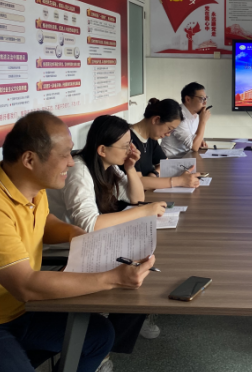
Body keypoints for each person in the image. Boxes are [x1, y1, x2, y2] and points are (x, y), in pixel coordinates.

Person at [0, 111, 155, 372]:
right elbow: (26, 285)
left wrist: (73, 233)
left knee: (97, 335)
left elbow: (44, 223)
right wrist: (113, 278)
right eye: (64, 155)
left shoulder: (33, 188)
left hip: (17, 312)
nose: (71, 162)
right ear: (29, 160)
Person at [46, 115, 168, 349]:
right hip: (64, 248)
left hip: (88, 241)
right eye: (125, 146)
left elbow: (136, 199)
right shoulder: (79, 170)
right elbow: (89, 226)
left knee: (145, 257)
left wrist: (130, 168)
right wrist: (144, 211)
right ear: (102, 149)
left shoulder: (109, 166)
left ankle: (111, 338)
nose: (131, 150)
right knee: (136, 268)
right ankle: (104, 345)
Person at [129, 97, 199, 190]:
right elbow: (138, 182)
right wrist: (180, 181)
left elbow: (164, 165)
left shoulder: (150, 137)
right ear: (156, 120)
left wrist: (153, 175)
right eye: (169, 129)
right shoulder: (128, 140)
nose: (168, 134)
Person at [160, 82, 211, 158]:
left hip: (186, 157)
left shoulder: (195, 114)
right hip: (172, 160)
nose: (205, 103)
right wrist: (203, 121)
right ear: (188, 99)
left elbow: (194, 140)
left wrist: (200, 140)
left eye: (205, 99)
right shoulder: (178, 115)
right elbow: (194, 147)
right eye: (201, 99)